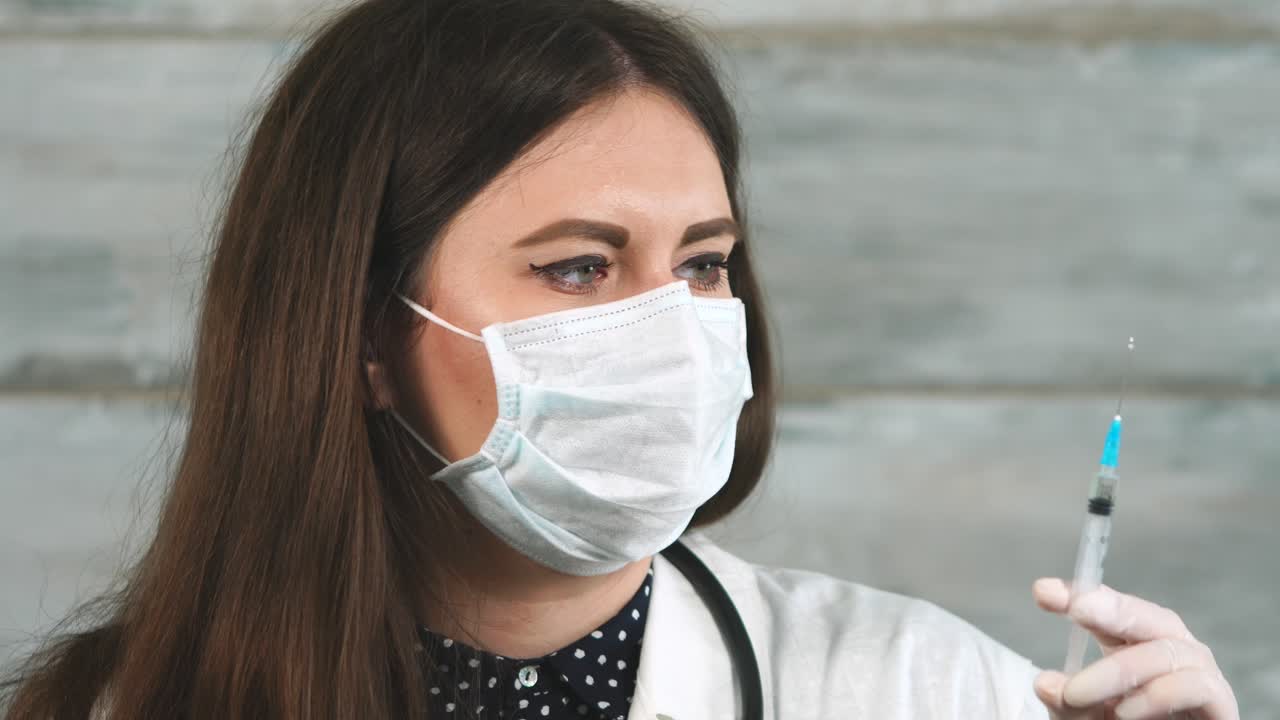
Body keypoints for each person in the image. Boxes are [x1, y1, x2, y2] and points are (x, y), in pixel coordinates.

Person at [2, 0, 1239, 718]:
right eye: (579, 268)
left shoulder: (919, 689)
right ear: (366, 331)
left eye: (702, 264)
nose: (672, 330)